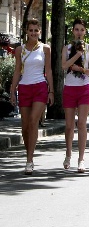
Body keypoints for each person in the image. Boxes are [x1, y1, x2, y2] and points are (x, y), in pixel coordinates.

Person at [10, 19, 54, 175]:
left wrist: (51, 91)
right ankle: (28, 153)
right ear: (26, 32)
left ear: (40, 32)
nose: (34, 33)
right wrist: (12, 90)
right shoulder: (19, 50)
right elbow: (17, 71)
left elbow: (48, 70)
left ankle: (29, 160)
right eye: (31, 30)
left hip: (40, 87)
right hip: (24, 88)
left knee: (33, 121)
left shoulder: (45, 49)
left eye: (36, 30)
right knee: (25, 125)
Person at [61, 18, 89, 173]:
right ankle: (68, 154)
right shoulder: (67, 48)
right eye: (77, 29)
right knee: (69, 126)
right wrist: (77, 55)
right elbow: (64, 66)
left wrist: (81, 69)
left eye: (82, 30)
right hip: (69, 88)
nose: (79, 32)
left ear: (85, 32)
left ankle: (81, 159)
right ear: (73, 31)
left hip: (84, 88)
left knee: (81, 124)